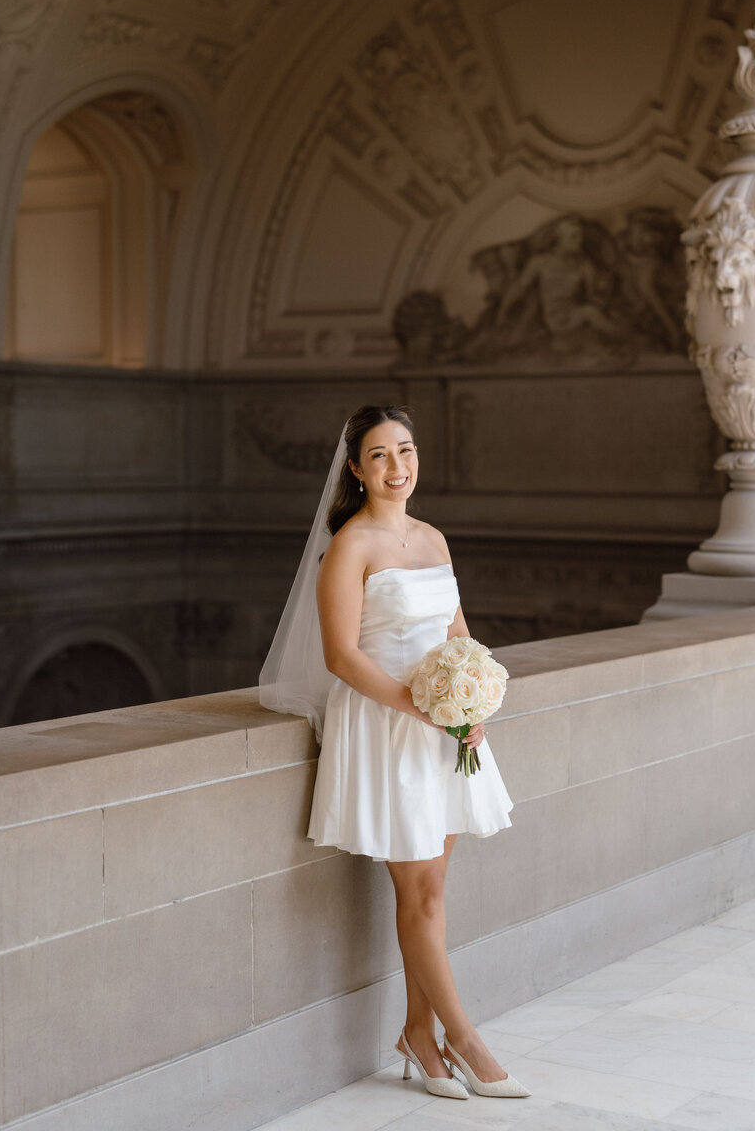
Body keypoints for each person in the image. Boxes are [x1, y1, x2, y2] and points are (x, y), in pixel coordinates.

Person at [259, 404, 527, 1101]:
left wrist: (471, 706)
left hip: (441, 727)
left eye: (405, 451)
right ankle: (464, 1038)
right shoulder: (350, 545)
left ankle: (417, 1034)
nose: (396, 467)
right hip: (387, 723)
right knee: (418, 889)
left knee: (433, 891)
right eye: (379, 455)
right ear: (355, 468)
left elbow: (458, 636)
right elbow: (343, 657)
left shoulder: (432, 538)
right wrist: (424, 708)